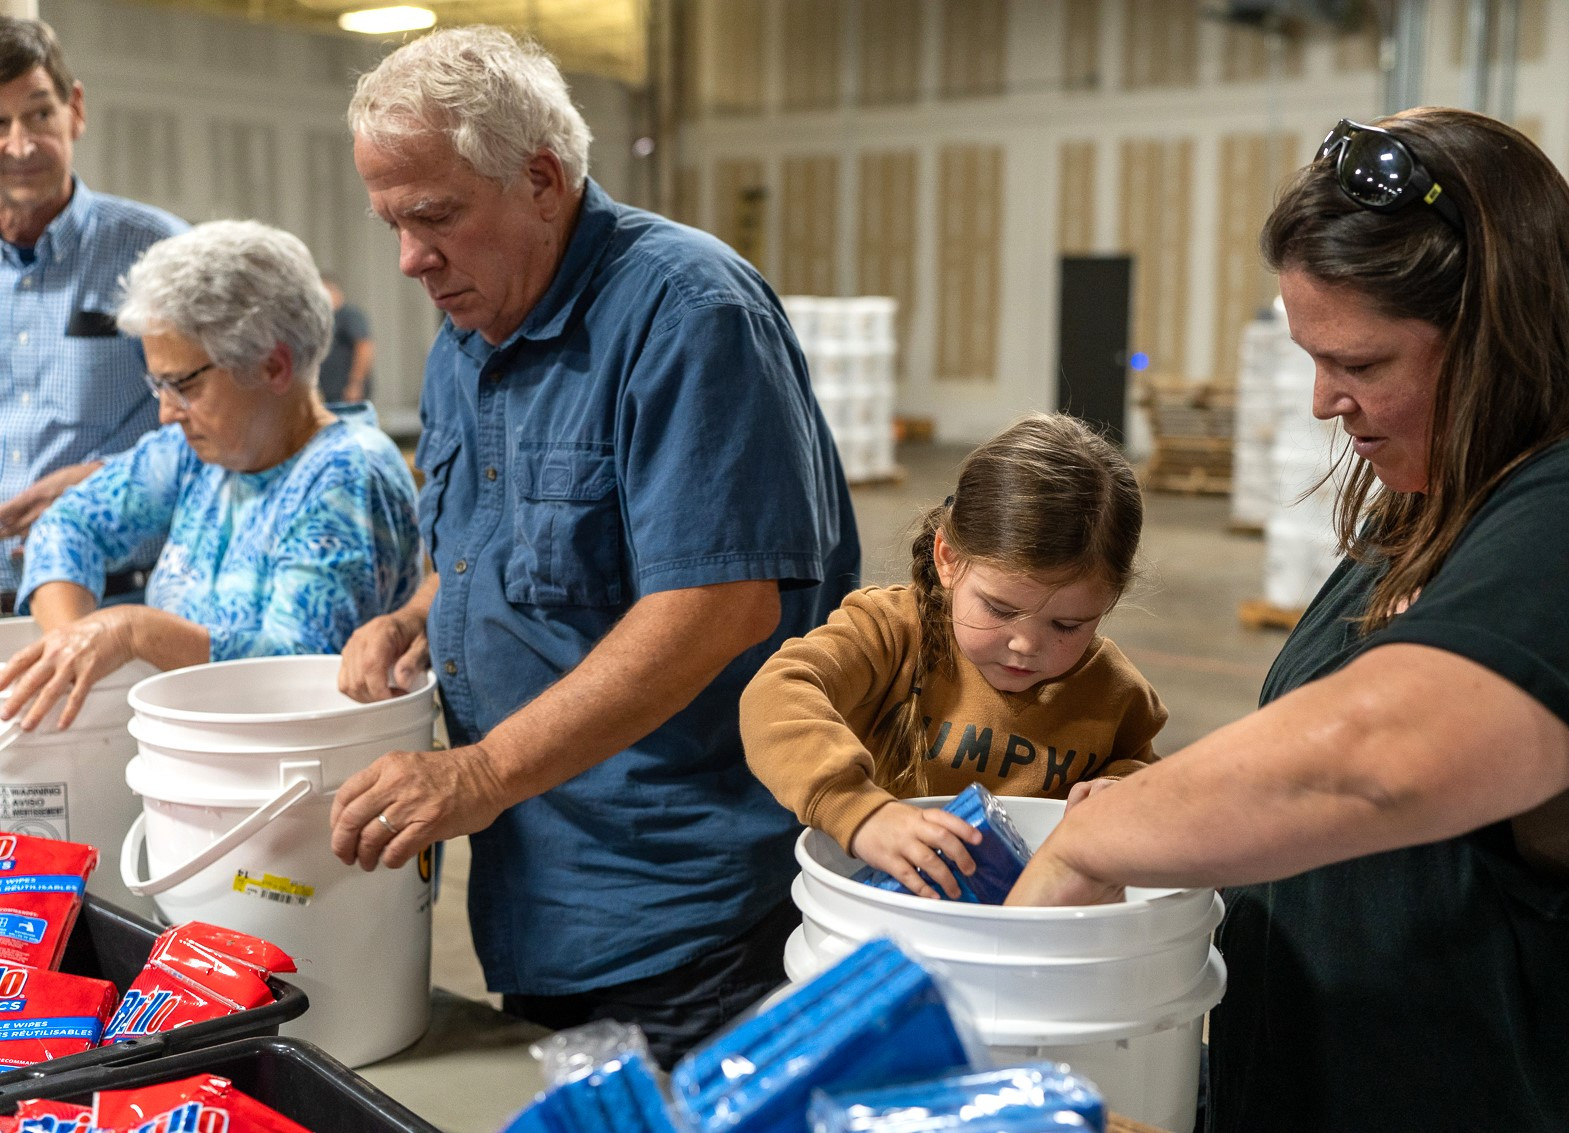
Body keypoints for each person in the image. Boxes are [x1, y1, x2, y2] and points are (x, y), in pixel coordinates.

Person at [1006, 108, 1569, 1130]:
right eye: (1312, 359)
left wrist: (1088, 842)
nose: (1327, 401)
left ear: (1500, 332)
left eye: (1363, 364)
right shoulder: (1460, 468)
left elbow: (1373, 755)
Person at [329, 26, 859, 1068]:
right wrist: (412, 615)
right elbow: (484, 545)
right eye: (390, 222)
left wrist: (476, 774)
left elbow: (718, 603)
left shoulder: (686, 312)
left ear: (540, 179)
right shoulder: (464, 338)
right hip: (540, 892)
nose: (408, 258)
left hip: (687, 909)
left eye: (434, 215)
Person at [0, 220, 421, 733]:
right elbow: (69, 523)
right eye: (158, 386)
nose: (166, 414)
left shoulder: (346, 474)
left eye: (182, 386)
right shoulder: (194, 453)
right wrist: (73, 641)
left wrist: (134, 631)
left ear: (272, 367)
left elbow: (296, 673)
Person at [742, 413, 1166, 899]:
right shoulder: (888, 633)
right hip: (888, 920)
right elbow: (777, 694)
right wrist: (859, 812)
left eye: (1068, 625)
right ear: (948, 558)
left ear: (1107, 603)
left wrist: (1125, 791)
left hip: (1031, 941)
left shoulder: (1115, 692)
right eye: (999, 608)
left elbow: (1138, 771)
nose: (1026, 645)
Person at [0, 16, 188, 610]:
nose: (20, 145)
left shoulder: (157, 251)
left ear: (75, 108)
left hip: (117, 603)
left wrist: (102, 484)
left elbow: (224, 428)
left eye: (39, 114)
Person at [317, 273, 375, 404]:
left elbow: (364, 348)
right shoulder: (325, 319)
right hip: (328, 395)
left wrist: (355, 383)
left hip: (345, 395)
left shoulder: (349, 315)